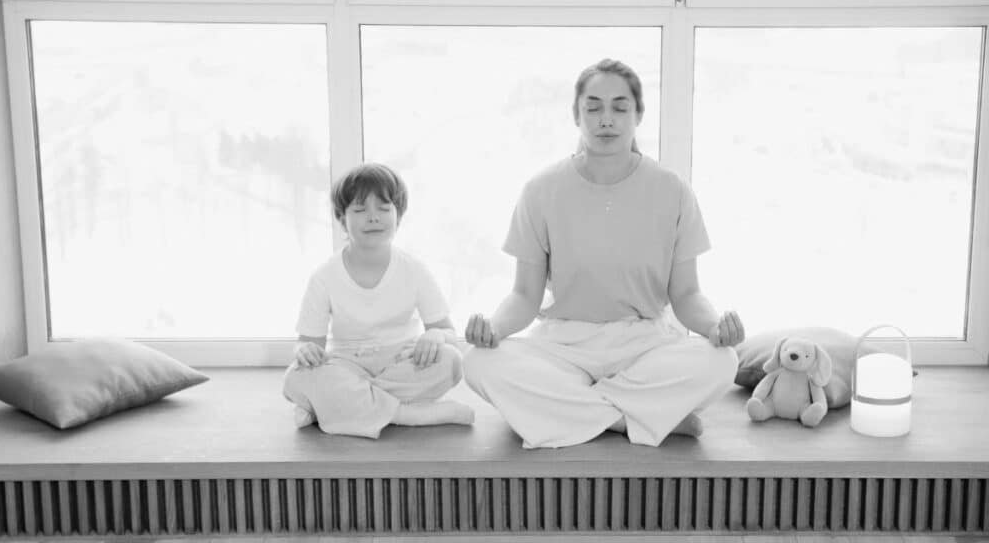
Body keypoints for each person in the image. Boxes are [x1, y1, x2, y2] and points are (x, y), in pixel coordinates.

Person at [463, 59, 744, 449]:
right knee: (478, 362)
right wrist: (493, 329)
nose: (606, 119)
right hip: (563, 344)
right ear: (576, 115)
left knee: (722, 361)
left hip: (645, 342)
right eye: (593, 107)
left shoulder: (672, 190)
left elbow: (686, 294)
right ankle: (631, 418)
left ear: (638, 114)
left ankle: (575, 414)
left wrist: (715, 327)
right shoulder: (541, 190)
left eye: (619, 107)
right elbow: (524, 296)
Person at [282, 163, 474, 438]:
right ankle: (407, 414)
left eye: (383, 209)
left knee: (451, 360)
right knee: (295, 378)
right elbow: (309, 345)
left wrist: (434, 336)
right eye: (360, 210)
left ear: (399, 217)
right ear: (341, 219)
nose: (373, 218)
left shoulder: (414, 270)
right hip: (348, 366)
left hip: (402, 363)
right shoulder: (324, 277)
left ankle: (334, 407)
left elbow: (448, 333)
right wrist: (302, 351)